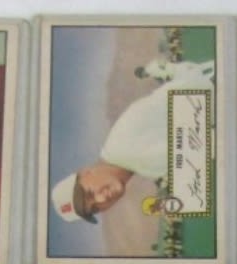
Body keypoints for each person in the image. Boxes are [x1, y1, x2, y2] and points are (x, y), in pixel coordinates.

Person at [50, 58, 216, 224]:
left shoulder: (128, 150)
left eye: (90, 193)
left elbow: (206, 145)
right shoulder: (125, 158)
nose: (102, 199)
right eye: (95, 208)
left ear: (86, 172)